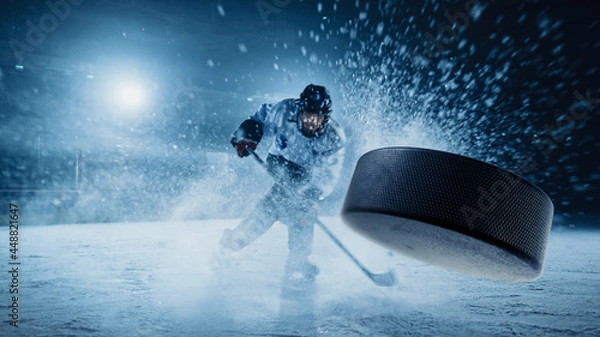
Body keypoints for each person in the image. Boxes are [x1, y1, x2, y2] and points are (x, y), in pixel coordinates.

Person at [216, 84, 346, 282]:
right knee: (282, 204)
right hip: (279, 161)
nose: (311, 120)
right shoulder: (285, 111)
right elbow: (260, 118)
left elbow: (328, 173)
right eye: (308, 114)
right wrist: (248, 134)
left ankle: (234, 242)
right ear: (300, 109)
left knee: (299, 212)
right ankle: (298, 264)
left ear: (325, 117)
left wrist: (312, 197)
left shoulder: (334, 138)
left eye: (317, 116)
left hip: (307, 175)